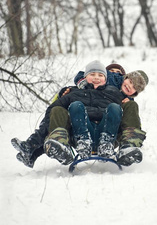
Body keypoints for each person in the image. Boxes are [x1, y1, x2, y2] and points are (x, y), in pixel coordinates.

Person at [12, 62, 148, 167]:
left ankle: (128, 146)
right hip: (79, 132)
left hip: (109, 134)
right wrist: (64, 93)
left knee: (116, 108)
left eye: (100, 75)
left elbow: (133, 120)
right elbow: (55, 110)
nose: (115, 76)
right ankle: (55, 145)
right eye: (110, 73)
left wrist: (127, 106)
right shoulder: (77, 90)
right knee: (63, 110)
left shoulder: (122, 99)